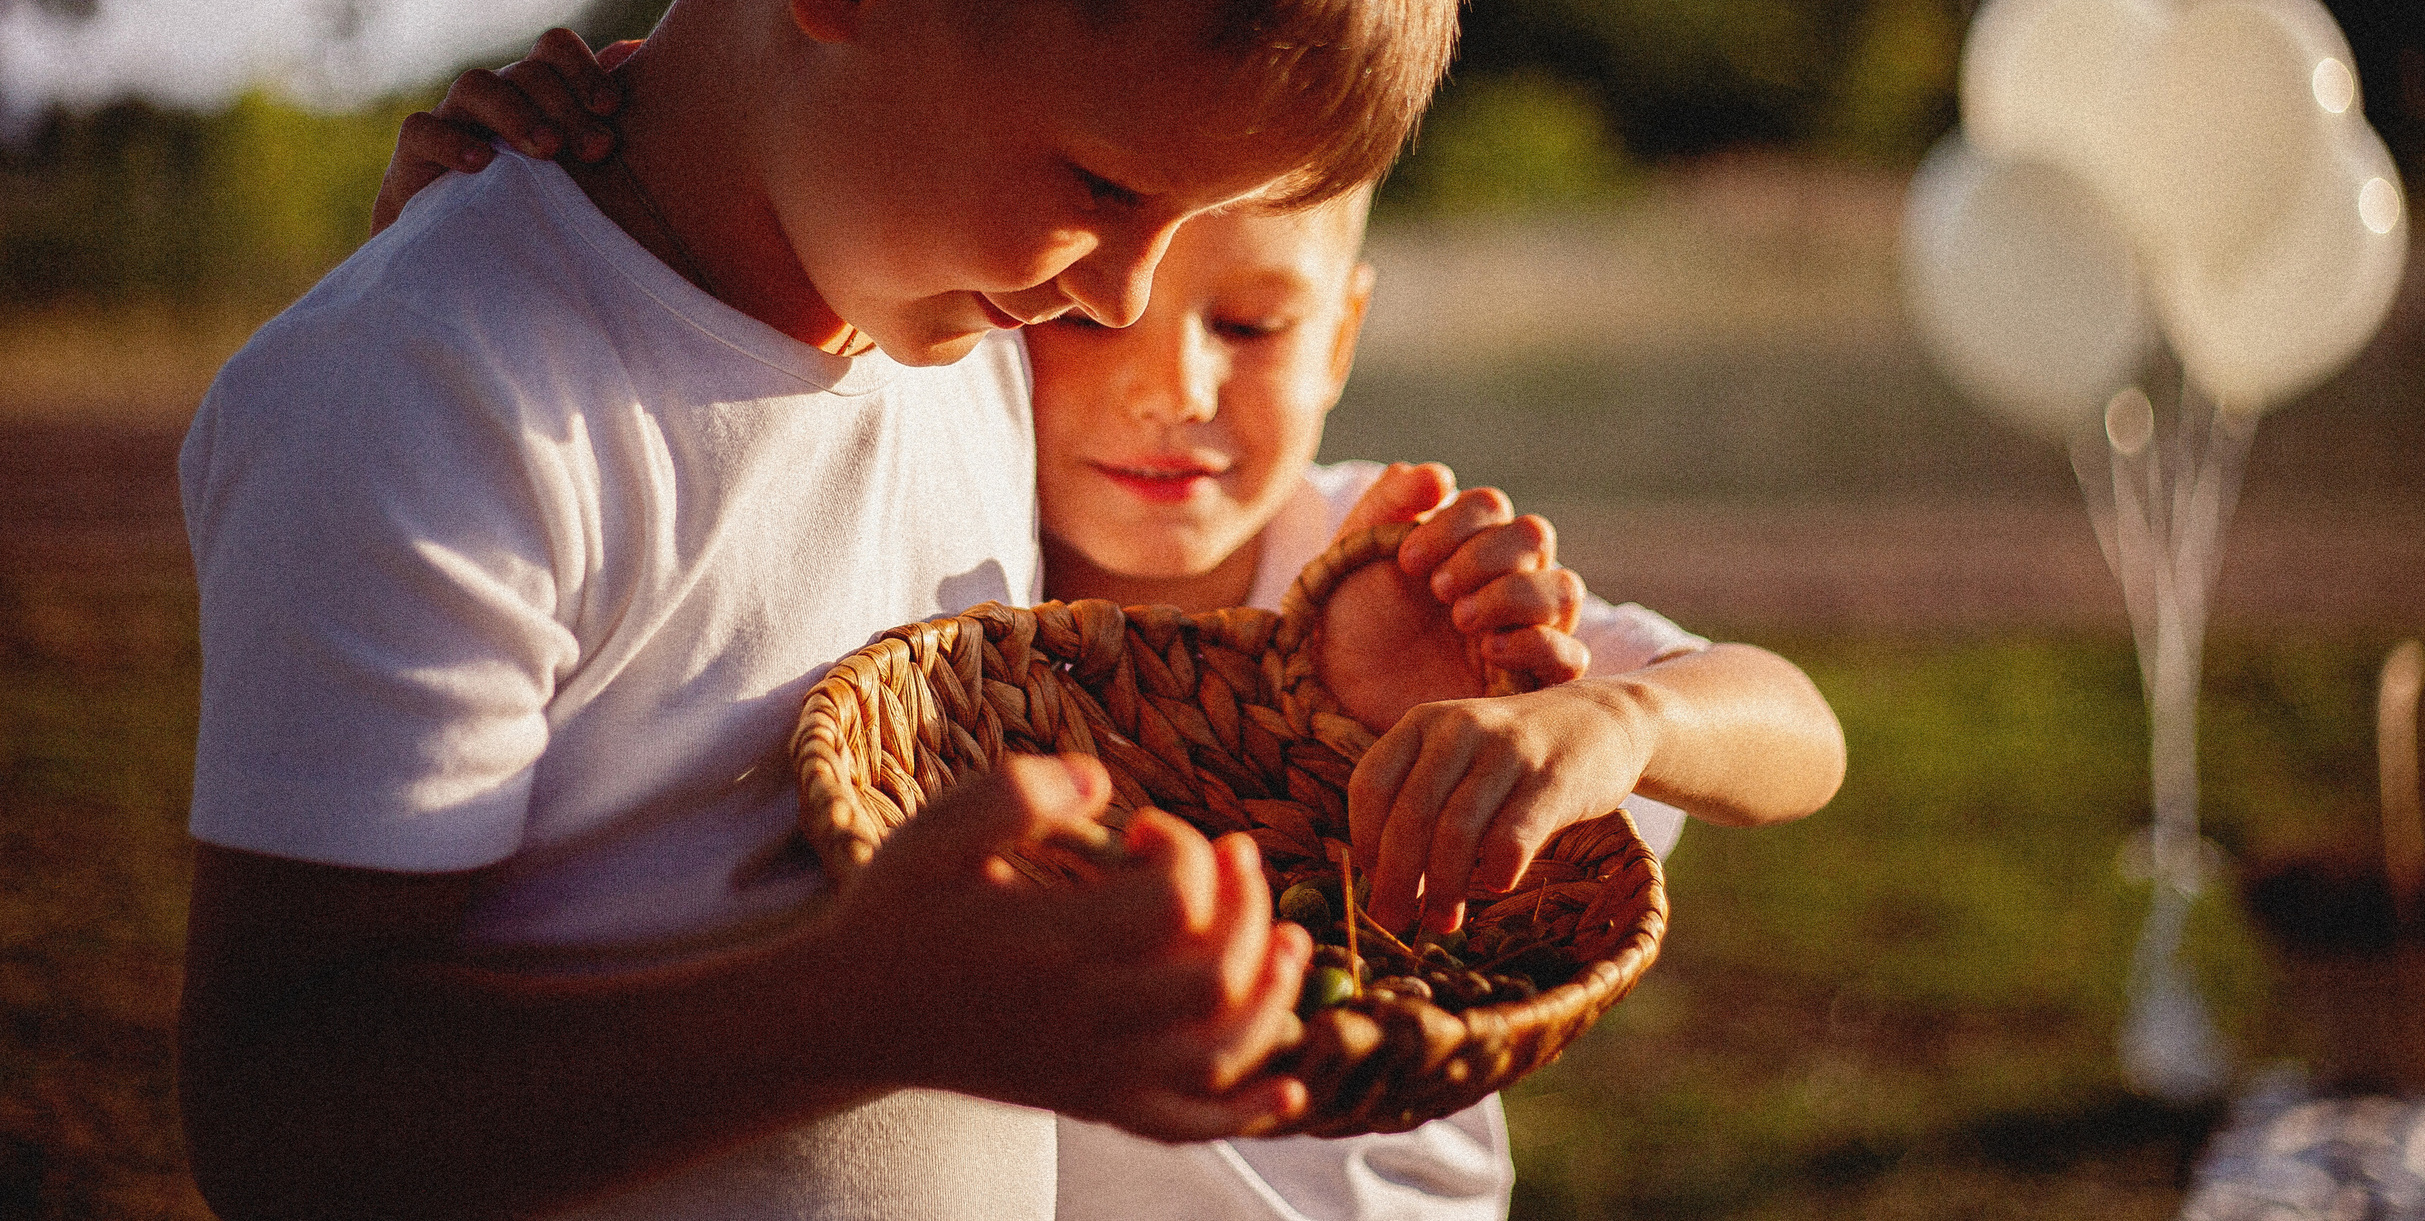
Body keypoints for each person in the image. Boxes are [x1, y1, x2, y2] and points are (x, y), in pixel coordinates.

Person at [173, 0, 1594, 1221]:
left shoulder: (953, 332)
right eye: (1105, 187)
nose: (1124, 300)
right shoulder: (444, 397)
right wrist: (866, 1008)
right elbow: (282, 1123)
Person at [376, 157, 1849, 1221]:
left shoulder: (1397, 576)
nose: (1173, 390)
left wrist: (1614, 717)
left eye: (1254, 325)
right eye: (1087, 320)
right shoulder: (944, 585)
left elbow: (1801, 734)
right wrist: (481, 221)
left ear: (1341, 335)